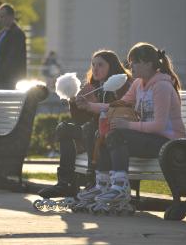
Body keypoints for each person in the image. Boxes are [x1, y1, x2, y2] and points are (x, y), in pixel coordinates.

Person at [76, 42, 186, 212]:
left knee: (117, 134)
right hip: (151, 139)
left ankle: (120, 187)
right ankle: (103, 184)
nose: (130, 66)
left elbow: (159, 126)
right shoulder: (138, 84)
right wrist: (88, 106)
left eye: (135, 61)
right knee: (104, 133)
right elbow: (115, 105)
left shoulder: (161, 86)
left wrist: (127, 125)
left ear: (148, 64)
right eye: (130, 61)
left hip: (168, 142)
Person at [37, 49, 133, 200]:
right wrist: (74, 103)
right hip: (92, 131)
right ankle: (66, 182)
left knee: (89, 129)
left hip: (111, 131)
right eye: (93, 64)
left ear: (112, 66)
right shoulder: (91, 86)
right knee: (64, 128)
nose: (95, 68)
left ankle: (92, 180)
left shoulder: (122, 85)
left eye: (100, 65)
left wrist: (92, 105)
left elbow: (120, 110)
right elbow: (80, 120)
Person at [0, 3, 27, 89]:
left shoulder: (17, 34)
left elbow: (11, 59)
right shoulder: (2, 33)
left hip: (7, 81)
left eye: (2, 16)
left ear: (11, 16)